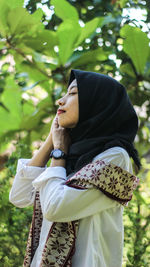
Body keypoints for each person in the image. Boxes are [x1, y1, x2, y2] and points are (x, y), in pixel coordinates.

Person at [9, 69, 141, 267]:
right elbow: (19, 195)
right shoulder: (71, 154)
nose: (60, 101)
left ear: (96, 103)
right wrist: (51, 142)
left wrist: (59, 152)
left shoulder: (116, 156)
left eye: (72, 93)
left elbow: (55, 208)